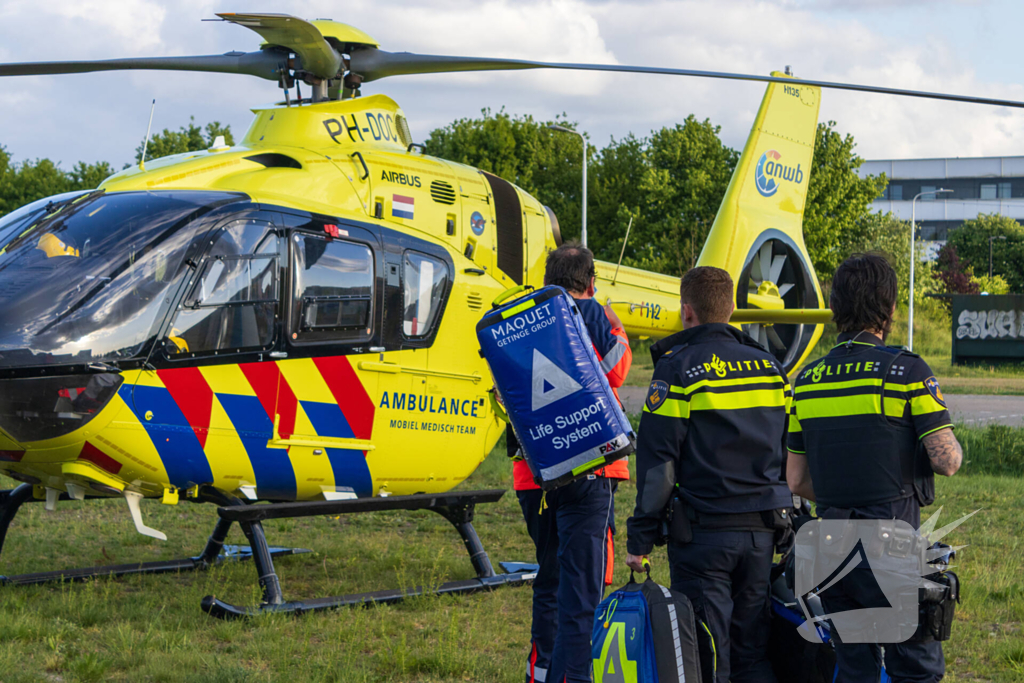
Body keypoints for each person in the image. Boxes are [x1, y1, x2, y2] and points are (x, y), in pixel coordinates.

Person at [786, 253, 961, 683]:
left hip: (831, 548)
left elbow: (796, 479)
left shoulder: (807, 381)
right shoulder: (906, 371)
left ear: (834, 307)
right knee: (915, 670)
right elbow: (947, 461)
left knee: (854, 670)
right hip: (893, 547)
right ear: (891, 307)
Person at [625, 266, 792, 683]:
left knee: (708, 656)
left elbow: (659, 467)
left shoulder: (677, 369)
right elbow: (789, 452)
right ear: (731, 308)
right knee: (753, 653)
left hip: (703, 537)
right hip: (762, 535)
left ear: (687, 311)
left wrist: (640, 540)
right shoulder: (772, 368)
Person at [514, 240, 632, 683]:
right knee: (582, 589)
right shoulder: (593, 314)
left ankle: (541, 673)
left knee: (549, 579)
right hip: (590, 469)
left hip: (534, 474)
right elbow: (618, 369)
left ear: (547, 280)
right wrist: (616, 326)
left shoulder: (520, 320)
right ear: (591, 282)